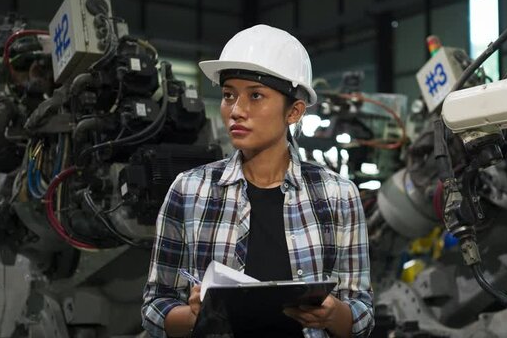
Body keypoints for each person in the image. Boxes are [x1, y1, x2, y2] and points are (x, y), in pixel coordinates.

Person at [141, 24, 374, 338]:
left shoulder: (337, 195)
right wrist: (195, 315)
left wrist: (334, 315)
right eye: (228, 95)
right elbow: (155, 306)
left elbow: (361, 310)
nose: (236, 110)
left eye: (255, 95)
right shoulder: (190, 190)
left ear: (294, 111)